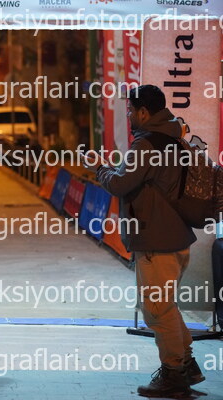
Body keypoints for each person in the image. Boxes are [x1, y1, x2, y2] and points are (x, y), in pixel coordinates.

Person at [83, 85, 202, 398]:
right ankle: (187, 366)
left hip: (156, 239)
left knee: (156, 310)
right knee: (166, 306)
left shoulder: (146, 143)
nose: (129, 116)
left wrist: (99, 168)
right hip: (176, 236)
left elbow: (120, 184)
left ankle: (174, 376)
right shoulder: (174, 136)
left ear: (144, 112)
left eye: (131, 111)